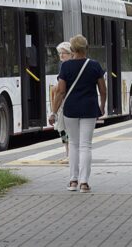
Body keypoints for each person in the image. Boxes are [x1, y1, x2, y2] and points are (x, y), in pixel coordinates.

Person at [49, 35, 106, 194]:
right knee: (86, 145)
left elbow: (60, 91)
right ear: (86, 48)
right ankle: (84, 183)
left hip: (71, 110)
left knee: (73, 144)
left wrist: (53, 112)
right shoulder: (94, 65)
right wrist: (102, 106)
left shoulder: (66, 67)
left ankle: (73, 180)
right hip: (89, 109)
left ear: (72, 50)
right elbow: (103, 89)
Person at [53, 41, 72, 164]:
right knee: (62, 129)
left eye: (63, 53)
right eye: (59, 53)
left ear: (70, 54)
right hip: (63, 103)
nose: (61, 56)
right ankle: (67, 153)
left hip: (67, 102)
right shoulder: (63, 66)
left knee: (67, 129)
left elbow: (62, 88)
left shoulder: (69, 67)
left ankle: (70, 155)